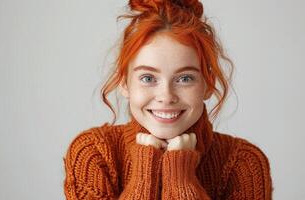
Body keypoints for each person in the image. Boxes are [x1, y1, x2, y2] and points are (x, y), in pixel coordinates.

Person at [63, 0, 273, 199]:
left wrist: (180, 177)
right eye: (148, 78)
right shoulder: (94, 153)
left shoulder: (242, 162)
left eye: (185, 78)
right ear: (124, 83)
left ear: (208, 85)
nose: (166, 96)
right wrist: (145, 172)